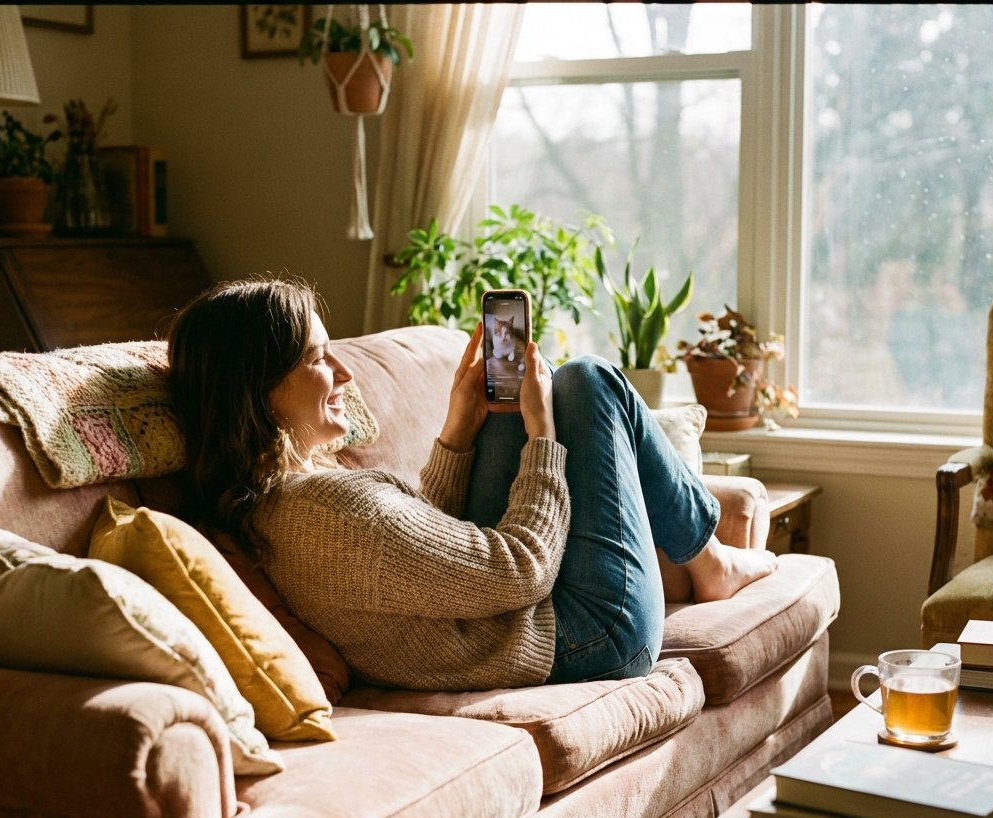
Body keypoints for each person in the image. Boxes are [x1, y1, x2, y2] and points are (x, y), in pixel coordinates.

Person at [166, 275, 776, 692]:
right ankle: (709, 558)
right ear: (258, 390)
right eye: (318, 358)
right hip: (591, 637)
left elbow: (419, 556)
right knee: (590, 383)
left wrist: (458, 431)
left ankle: (687, 555)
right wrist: (542, 439)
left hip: (500, 613)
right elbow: (521, 569)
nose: (345, 372)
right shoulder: (325, 509)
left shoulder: (279, 502)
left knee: (518, 397)